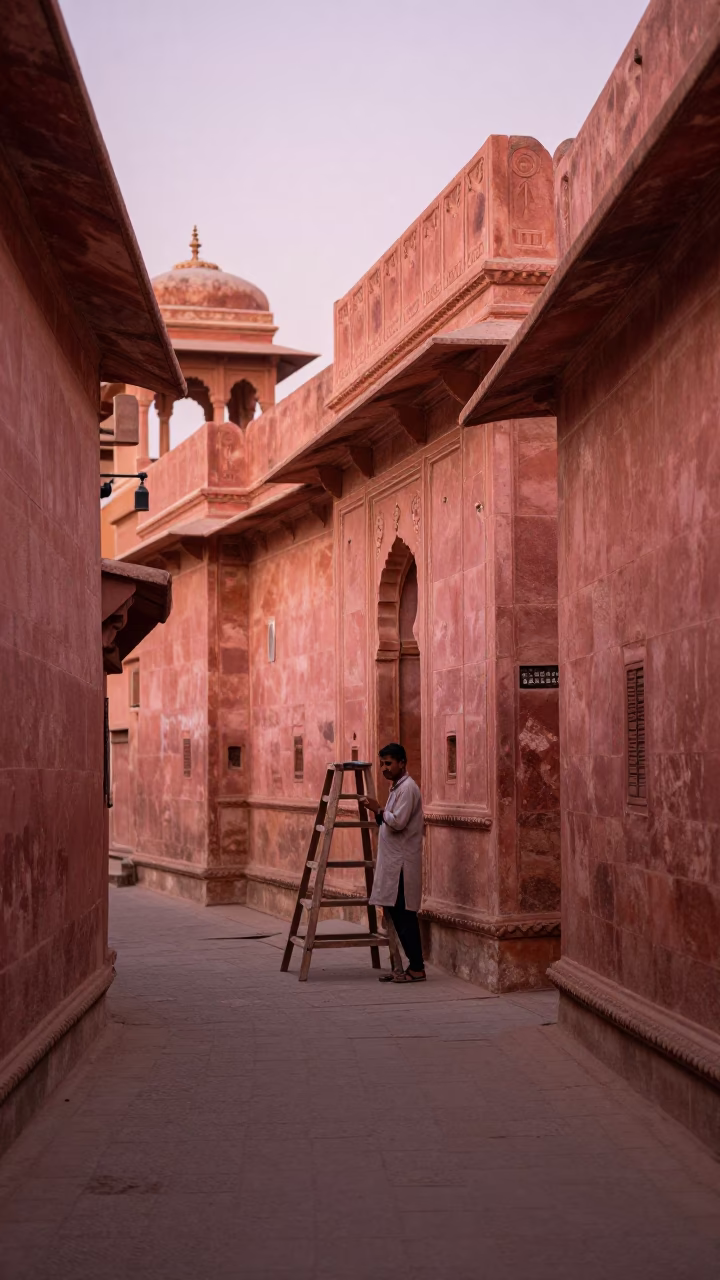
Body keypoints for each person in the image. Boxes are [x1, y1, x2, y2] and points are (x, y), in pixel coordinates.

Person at [359, 743, 426, 983]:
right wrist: (379, 812)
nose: (385, 768)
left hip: (403, 865)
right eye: (382, 764)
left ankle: (417, 968)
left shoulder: (407, 788)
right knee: (395, 913)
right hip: (394, 863)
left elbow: (397, 822)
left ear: (402, 763)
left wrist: (378, 809)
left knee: (405, 915)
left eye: (389, 763)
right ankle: (405, 966)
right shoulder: (396, 787)